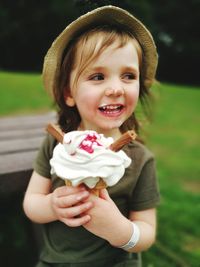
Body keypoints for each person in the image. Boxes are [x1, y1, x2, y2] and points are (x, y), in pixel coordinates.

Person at [23, 5, 160, 267]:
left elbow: (147, 231)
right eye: (98, 76)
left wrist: (120, 230)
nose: (116, 88)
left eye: (128, 76)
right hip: (56, 262)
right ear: (68, 94)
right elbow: (31, 204)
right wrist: (53, 206)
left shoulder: (140, 160)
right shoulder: (56, 144)